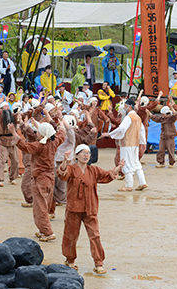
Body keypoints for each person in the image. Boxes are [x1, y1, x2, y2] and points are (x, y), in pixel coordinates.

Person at [57, 145, 124, 274]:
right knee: (71, 236)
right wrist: (65, 161)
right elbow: (62, 174)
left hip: (90, 208)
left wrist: (119, 167)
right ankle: (70, 260)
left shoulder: (93, 170)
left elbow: (107, 175)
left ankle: (99, 263)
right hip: (74, 208)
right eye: (83, 153)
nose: (86, 155)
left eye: (88, 153)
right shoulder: (71, 168)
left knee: (95, 236)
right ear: (76, 155)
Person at [11, 120, 66, 242]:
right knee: (44, 205)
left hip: (40, 179)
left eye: (38, 132)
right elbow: (61, 135)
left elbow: (24, 146)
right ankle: (43, 231)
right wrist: (61, 126)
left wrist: (14, 133)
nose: (37, 134)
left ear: (41, 134)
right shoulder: (54, 142)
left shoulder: (39, 146)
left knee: (39, 207)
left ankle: (48, 232)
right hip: (50, 177)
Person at [102, 97, 147, 191]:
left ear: (129, 106)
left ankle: (129, 185)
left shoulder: (128, 117)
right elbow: (142, 131)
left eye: (125, 106)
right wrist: (143, 143)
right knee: (135, 162)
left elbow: (122, 128)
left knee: (126, 163)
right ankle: (142, 182)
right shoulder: (138, 117)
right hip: (135, 143)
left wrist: (109, 134)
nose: (124, 107)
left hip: (127, 143)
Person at [0, 101, 19, 186]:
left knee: (15, 160)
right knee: (2, 160)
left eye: (8, 107)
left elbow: (21, 117)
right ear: (1, 109)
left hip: (12, 139)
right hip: (2, 140)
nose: (7, 108)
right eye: (5, 107)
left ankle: (13, 177)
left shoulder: (13, 116)